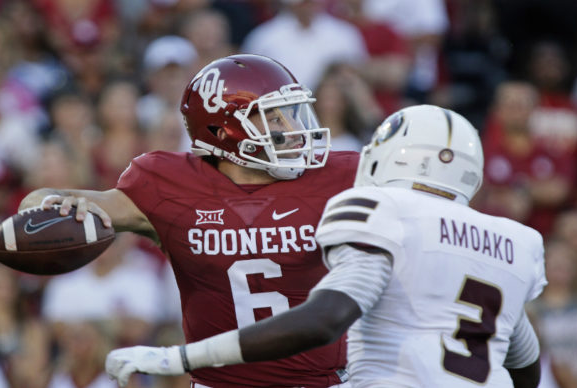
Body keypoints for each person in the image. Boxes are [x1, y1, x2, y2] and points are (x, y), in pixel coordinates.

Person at [105, 105, 547, 388]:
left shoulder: (383, 208)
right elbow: (525, 361)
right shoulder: (513, 241)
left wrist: (177, 358)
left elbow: (325, 320)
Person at [18, 54, 358, 387]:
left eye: (292, 114)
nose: (295, 130)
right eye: (274, 118)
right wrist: (47, 204)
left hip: (320, 383)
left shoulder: (340, 175)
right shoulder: (168, 184)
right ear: (223, 129)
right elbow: (47, 202)